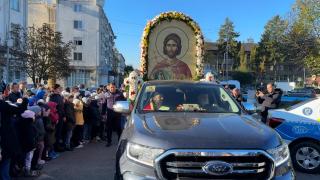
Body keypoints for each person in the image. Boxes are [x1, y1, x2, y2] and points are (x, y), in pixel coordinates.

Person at [104, 83, 125, 147]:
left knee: (119, 128)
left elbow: (124, 101)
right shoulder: (106, 94)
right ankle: (108, 141)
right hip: (109, 112)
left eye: (113, 87)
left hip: (117, 112)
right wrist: (103, 113)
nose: (112, 88)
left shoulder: (120, 94)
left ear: (115, 87)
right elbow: (104, 104)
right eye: (111, 87)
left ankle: (119, 141)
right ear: (109, 88)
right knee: (109, 128)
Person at [49, 84, 65, 152]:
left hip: (61, 116)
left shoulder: (60, 96)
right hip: (55, 117)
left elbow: (62, 107)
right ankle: (54, 148)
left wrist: (64, 115)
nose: (60, 89)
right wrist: (56, 117)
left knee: (59, 132)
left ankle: (58, 146)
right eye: (59, 88)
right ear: (55, 89)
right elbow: (52, 108)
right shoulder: (52, 96)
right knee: (55, 133)